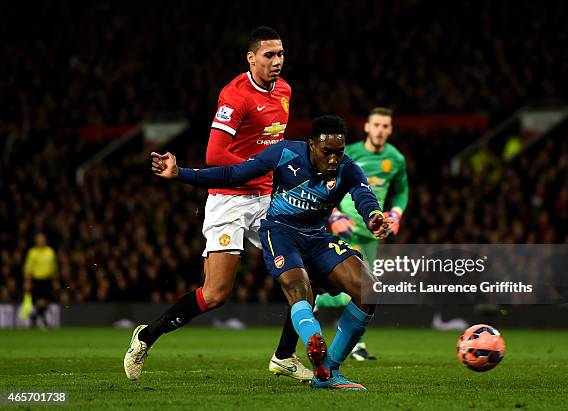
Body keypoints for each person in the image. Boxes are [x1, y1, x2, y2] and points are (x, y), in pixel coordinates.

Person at [123, 26, 311, 382]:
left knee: (303, 277)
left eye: (281, 54)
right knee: (216, 294)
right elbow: (214, 155)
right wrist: (252, 171)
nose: (277, 61)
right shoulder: (235, 96)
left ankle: (285, 356)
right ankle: (146, 336)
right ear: (251, 57)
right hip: (230, 200)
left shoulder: (285, 90)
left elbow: (274, 145)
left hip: (269, 200)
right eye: (269, 55)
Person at [150, 115, 392, 390]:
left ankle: (328, 371)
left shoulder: (347, 169)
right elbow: (232, 175)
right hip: (280, 232)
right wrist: (180, 172)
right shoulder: (285, 153)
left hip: (316, 236)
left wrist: (373, 216)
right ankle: (314, 342)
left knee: (369, 290)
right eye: (327, 152)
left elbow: (364, 196)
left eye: (340, 152)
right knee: (299, 288)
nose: (334, 159)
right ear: (311, 145)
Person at [273, 107, 409, 362]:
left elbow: (401, 191)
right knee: (350, 285)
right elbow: (321, 186)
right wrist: (335, 216)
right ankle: (310, 317)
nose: (380, 130)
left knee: (364, 290)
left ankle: (320, 313)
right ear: (367, 127)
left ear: (390, 130)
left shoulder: (396, 159)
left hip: (371, 232)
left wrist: (397, 213)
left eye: (385, 126)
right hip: (343, 228)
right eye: (376, 125)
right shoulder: (347, 152)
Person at [23, 232, 58, 328]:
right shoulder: (32, 252)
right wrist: (28, 281)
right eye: (39, 239)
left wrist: (55, 280)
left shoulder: (50, 252)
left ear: (45, 240)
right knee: (40, 301)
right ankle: (44, 321)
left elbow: (54, 267)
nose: (40, 241)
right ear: (36, 241)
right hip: (37, 280)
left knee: (46, 302)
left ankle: (34, 316)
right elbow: (28, 268)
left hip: (48, 279)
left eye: (42, 239)